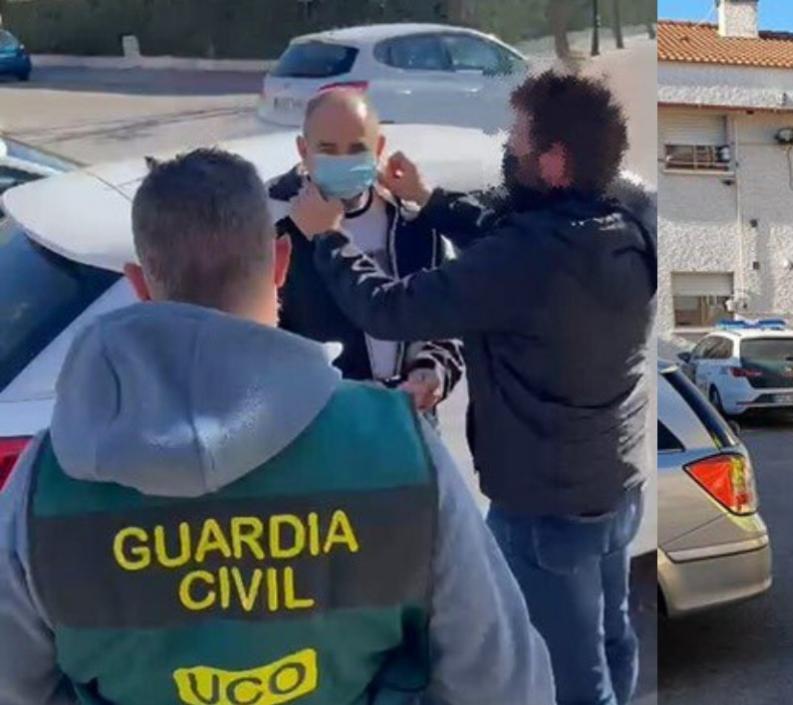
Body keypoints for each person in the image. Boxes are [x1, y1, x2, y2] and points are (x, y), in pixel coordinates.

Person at [0, 149, 554, 705]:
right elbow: (504, 683)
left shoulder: (46, 479)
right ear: (282, 262)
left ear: (140, 283)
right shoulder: (397, 444)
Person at [290, 70, 655, 705]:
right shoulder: (628, 217)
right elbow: (513, 241)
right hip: (615, 485)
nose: (506, 151)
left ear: (554, 160)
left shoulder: (523, 257)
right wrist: (433, 202)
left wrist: (326, 237)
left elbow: (388, 308)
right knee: (614, 637)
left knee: (568, 674)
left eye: (516, 140)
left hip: (544, 508)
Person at [270, 88, 464, 417]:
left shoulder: (414, 225)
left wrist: (433, 371)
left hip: (405, 423)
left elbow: (447, 321)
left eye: (357, 149)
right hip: (315, 430)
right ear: (304, 150)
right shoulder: (270, 222)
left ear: (379, 148)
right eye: (328, 150)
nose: (343, 160)